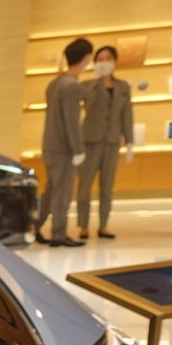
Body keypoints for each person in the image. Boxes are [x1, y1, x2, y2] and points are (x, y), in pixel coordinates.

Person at [35, 37, 92, 247]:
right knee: (62, 193)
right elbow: (72, 121)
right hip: (63, 149)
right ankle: (58, 234)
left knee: (51, 191)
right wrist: (78, 149)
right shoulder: (71, 86)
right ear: (86, 58)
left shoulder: (55, 83)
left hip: (50, 146)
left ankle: (35, 226)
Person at [77, 45, 134, 240]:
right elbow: (87, 104)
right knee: (85, 185)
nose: (104, 62)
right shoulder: (87, 85)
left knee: (107, 187)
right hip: (90, 140)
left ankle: (103, 225)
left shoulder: (123, 87)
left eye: (108, 58)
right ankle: (83, 226)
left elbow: (127, 114)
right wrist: (96, 81)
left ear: (115, 61)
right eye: (100, 59)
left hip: (112, 141)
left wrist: (130, 141)